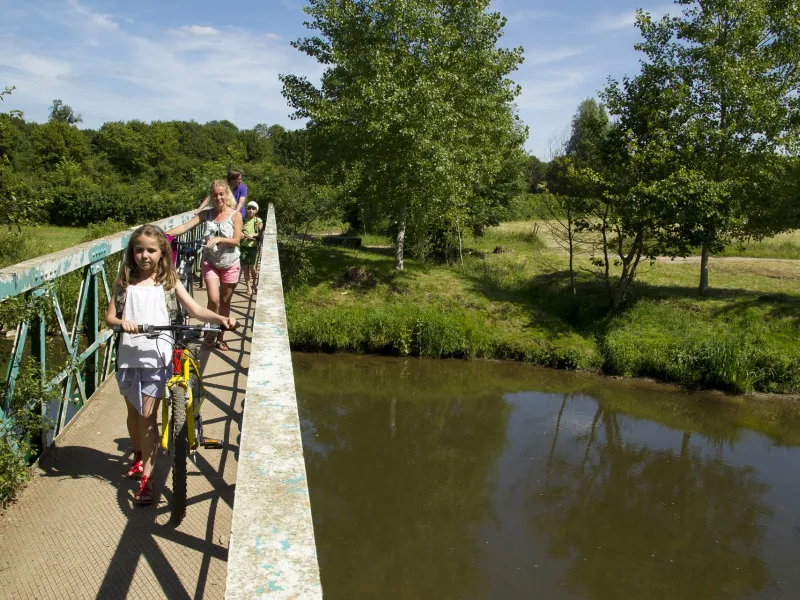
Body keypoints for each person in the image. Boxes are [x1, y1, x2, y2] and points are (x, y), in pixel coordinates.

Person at [106, 224, 236, 505]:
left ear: (162, 253)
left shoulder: (169, 282)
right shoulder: (123, 282)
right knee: (133, 414)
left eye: (151, 250)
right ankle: (139, 456)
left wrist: (220, 319)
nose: (144, 256)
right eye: (139, 250)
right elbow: (110, 318)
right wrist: (122, 323)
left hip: (157, 357)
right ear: (132, 252)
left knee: (149, 417)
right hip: (128, 357)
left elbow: (196, 309)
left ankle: (147, 481)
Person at [168, 180, 242, 351]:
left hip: (230, 263)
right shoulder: (207, 215)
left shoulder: (235, 215)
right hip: (210, 262)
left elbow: (237, 240)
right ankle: (211, 330)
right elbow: (186, 226)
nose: (218, 198)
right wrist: (163, 235)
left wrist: (220, 239)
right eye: (214, 195)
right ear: (211, 196)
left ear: (226, 195)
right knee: (213, 299)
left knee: (224, 301)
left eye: (221, 194)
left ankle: (220, 336)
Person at [240, 201, 263, 295]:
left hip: (253, 247)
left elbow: (261, 233)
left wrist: (253, 234)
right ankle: (248, 286)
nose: (251, 210)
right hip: (243, 247)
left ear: (256, 211)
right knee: (245, 267)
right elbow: (238, 230)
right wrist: (240, 234)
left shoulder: (258, 221)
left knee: (253, 268)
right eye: (249, 208)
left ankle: (254, 284)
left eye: (253, 209)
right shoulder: (242, 219)